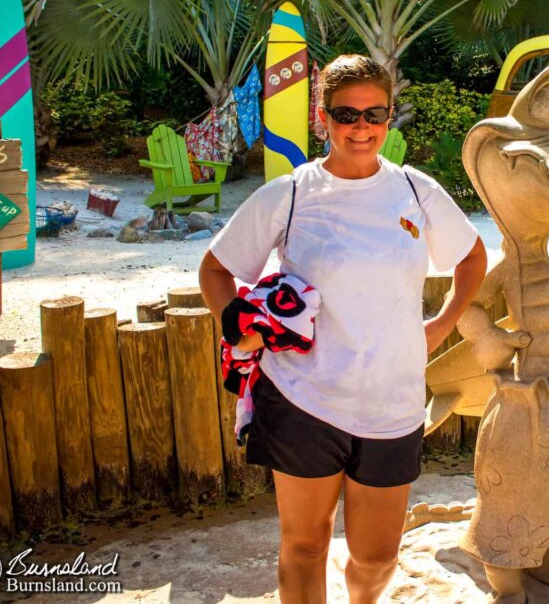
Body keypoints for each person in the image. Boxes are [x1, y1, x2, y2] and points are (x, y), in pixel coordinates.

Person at [199, 54, 486, 604]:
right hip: (303, 397)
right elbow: (216, 268)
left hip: (393, 402)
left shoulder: (415, 191)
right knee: (304, 546)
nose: (361, 127)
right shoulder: (291, 194)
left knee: (377, 557)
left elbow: (472, 257)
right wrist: (236, 322)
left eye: (374, 114)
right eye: (346, 115)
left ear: (389, 115)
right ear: (323, 118)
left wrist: (442, 323)